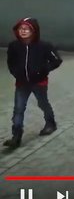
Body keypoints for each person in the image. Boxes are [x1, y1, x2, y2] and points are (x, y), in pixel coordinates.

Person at [4, 18, 62, 149]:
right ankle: (16, 136)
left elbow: (57, 60)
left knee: (43, 103)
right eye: (20, 28)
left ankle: (50, 124)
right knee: (18, 109)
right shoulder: (14, 46)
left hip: (39, 82)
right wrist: (16, 73)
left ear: (34, 31)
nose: (23, 31)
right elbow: (10, 62)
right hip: (21, 83)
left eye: (26, 28)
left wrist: (43, 70)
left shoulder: (44, 46)